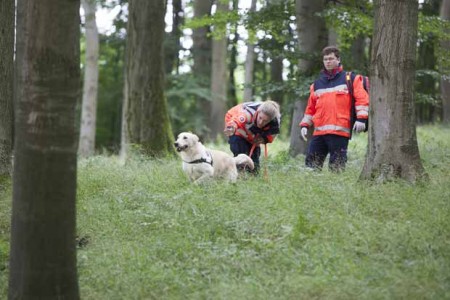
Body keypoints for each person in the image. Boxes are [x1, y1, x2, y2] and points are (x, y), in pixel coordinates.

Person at [299, 46, 369, 172]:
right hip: (319, 133)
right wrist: (304, 125)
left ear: (338, 60)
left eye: (331, 58)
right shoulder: (316, 84)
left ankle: (336, 190)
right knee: (311, 166)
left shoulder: (351, 79)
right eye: (325, 59)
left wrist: (362, 119)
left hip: (340, 132)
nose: (328, 61)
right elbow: (311, 108)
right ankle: (314, 189)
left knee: (337, 167)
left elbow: (362, 99)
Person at [224, 100, 281, 173]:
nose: (261, 122)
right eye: (260, 118)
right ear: (258, 112)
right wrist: (231, 128)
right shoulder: (248, 113)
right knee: (240, 148)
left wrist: (263, 139)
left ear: (271, 120)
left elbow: (271, 137)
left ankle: (253, 174)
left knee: (255, 158)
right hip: (234, 118)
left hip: (252, 128)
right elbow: (235, 122)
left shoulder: (275, 124)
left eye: (265, 121)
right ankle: (238, 173)